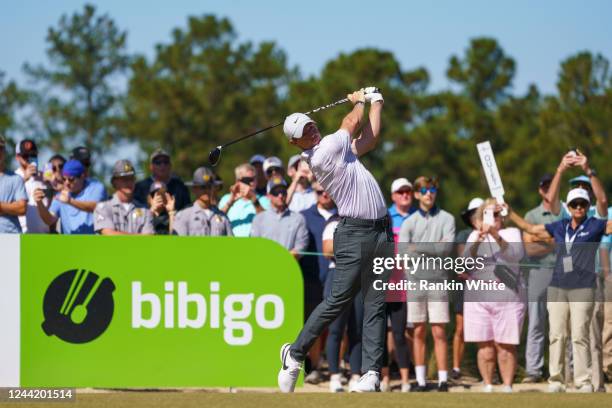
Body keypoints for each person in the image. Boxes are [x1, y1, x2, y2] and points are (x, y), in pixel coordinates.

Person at [277, 88, 390, 393]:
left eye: (311, 124)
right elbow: (352, 122)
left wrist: (376, 102)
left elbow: (369, 138)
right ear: (295, 142)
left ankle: (370, 373)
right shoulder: (324, 150)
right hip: (355, 232)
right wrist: (359, 101)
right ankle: (295, 352)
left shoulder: (339, 150)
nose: (311, 129)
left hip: (381, 231)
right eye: (303, 131)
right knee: (338, 299)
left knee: (376, 302)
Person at [508, 188, 612, 392]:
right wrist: (509, 213)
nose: (579, 207)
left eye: (583, 204)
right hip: (557, 286)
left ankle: (582, 381)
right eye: (575, 204)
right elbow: (531, 229)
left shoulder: (595, 225)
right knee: (556, 334)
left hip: (583, 287)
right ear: (569, 207)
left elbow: (607, 214)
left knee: (579, 335)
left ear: (587, 205)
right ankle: (556, 380)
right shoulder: (560, 225)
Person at [463, 198, 526, 393]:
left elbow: (515, 255)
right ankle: (488, 384)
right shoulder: (475, 235)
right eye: (489, 214)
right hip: (479, 296)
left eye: (497, 214)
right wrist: (479, 240)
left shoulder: (511, 233)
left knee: (505, 345)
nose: (494, 218)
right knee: (485, 345)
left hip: (507, 295)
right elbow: (465, 263)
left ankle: (507, 385)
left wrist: (495, 235)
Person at [399, 176, 455, 392]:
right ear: (416, 194)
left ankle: (443, 380)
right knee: (419, 331)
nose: (428, 194)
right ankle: (421, 381)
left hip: (438, 281)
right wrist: (432, 247)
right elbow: (403, 253)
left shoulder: (447, 219)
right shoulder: (409, 222)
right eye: (423, 190)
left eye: (432, 189)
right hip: (415, 282)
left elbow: (446, 249)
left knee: (439, 331)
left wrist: (418, 247)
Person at [521, 174, 563, 384]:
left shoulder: (564, 211)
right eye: (545, 187)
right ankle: (533, 370)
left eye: (551, 186)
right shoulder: (532, 214)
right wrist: (552, 240)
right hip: (538, 273)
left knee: (563, 324)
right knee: (536, 323)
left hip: (563, 272)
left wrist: (540, 238)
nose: (548, 190)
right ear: (540, 190)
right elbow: (529, 248)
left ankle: (566, 369)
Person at [298, 181, 337, 384]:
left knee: (338, 328)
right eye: (319, 191)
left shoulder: (342, 215)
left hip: (336, 279)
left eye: (327, 190)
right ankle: (313, 367)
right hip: (312, 279)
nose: (324, 194)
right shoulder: (304, 216)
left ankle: (335, 368)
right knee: (313, 326)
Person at [380, 177, 416, 392]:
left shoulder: (418, 216)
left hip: (407, 284)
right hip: (384, 285)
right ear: (393, 195)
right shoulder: (385, 217)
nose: (405, 194)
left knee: (402, 334)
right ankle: (385, 379)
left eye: (408, 191)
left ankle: (405, 380)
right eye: (400, 191)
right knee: (382, 334)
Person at [322, 214, 364, 392]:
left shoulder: (366, 223)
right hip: (338, 275)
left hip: (361, 278)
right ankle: (334, 376)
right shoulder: (333, 223)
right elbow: (327, 250)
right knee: (336, 329)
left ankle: (355, 375)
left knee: (357, 329)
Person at [451, 197, 484, 381]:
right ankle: (456, 368)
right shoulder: (463, 235)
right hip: (465, 286)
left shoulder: (494, 235)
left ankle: (486, 369)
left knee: (486, 329)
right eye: (474, 213)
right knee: (461, 328)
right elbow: (463, 264)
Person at [34, 159, 107, 234]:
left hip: (93, 244)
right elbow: (49, 220)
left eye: (71, 179)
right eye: (64, 179)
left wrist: (70, 201)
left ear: (82, 176)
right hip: (70, 244)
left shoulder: (95, 187)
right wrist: (39, 203)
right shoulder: (62, 195)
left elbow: (95, 207)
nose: (66, 183)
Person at [250, 177, 308, 258]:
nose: (280, 195)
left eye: (283, 192)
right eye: (275, 192)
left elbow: (301, 246)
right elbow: (255, 246)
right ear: (268, 196)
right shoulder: (258, 219)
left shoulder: (298, 219)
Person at [94, 160, 154, 235]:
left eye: (131, 178)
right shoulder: (103, 208)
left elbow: (149, 239)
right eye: (124, 179)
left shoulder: (145, 210)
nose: (129, 182)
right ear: (114, 182)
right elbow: (109, 235)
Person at [173, 167, 232, 236]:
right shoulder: (184, 216)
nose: (207, 190)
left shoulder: (222, 217)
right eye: (203, 187)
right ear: (194, 189)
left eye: (209, 187)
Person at [218, 163, 270, 237]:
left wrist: (254, 199)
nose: (251, 183)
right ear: (237, 181)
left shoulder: (264, 200)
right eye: (247, 180)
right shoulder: (226, 199)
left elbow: (267, 222)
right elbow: (217, 221)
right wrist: (230, 202)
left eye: (253, 179)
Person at [14, 139, 49, 233]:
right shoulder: (12, 178)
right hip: (22, 235)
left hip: (45, 236)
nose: (29, 159)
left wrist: (54, 183)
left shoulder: (45, 177)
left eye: (33, 155)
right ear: (17, 157)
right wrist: (24, 178)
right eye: (25, 156)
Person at [0, 136, 27, 233]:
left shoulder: (16, 179)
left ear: (4, 152)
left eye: (0, 149)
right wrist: (10, 207)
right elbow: (17, 207)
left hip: (11, 237)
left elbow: (22, 208)